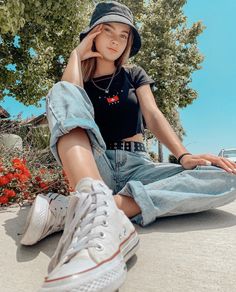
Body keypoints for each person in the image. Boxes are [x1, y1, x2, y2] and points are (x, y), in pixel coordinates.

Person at [21, 1, 236, 292]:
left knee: (226, 176)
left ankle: (89, 208)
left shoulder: (134, 74)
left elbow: (154, 115)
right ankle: (93, 197)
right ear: (91, 35)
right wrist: (77, 53)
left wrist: (183, 155)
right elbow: (67, 98)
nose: (115, 39)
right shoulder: (78, 81)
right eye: (107, 30)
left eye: (124, 35)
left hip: (139, 165)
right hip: (97, 163)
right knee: (62, 91)